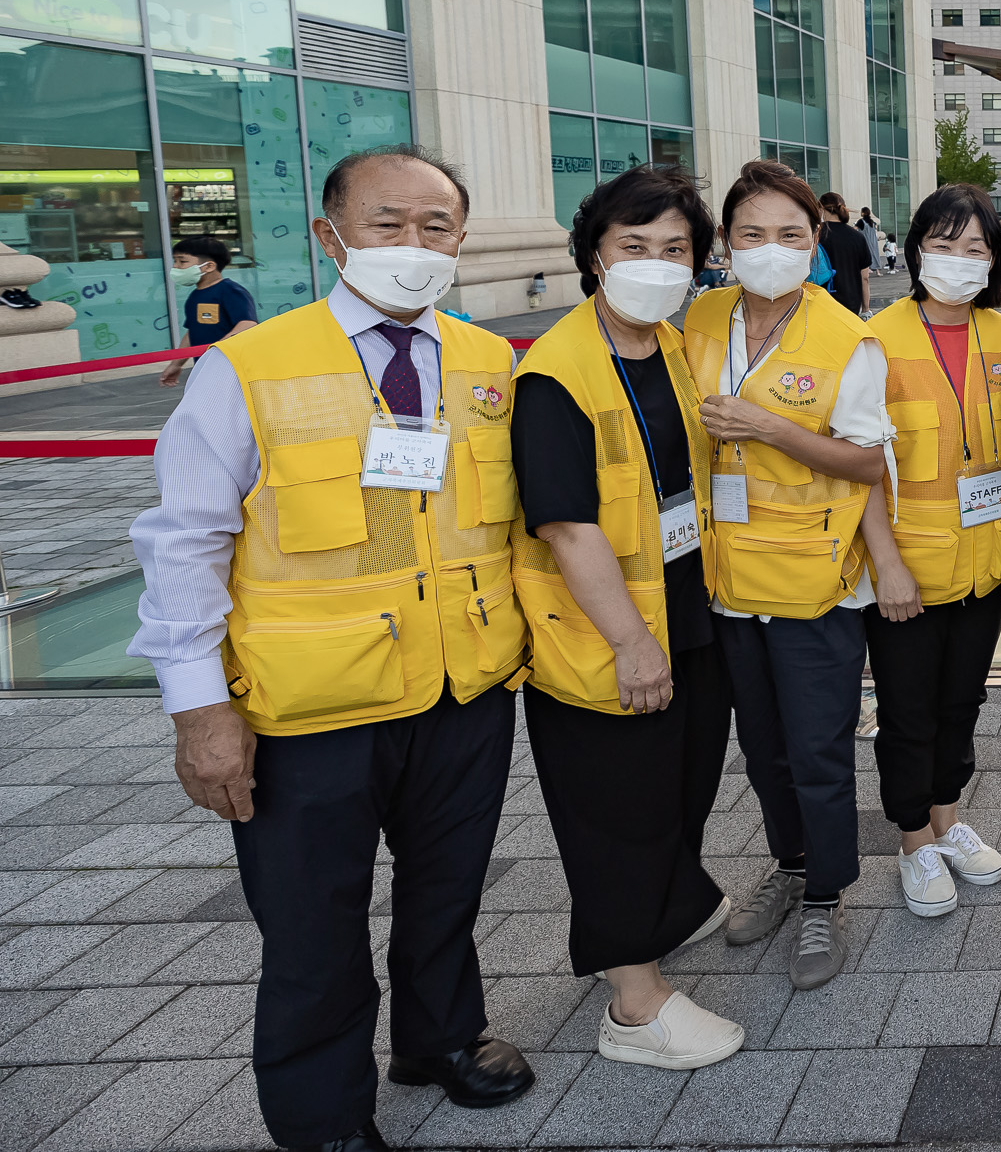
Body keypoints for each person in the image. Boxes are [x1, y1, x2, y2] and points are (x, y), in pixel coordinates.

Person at [130, 147, 534, 1151]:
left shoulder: (490, 363)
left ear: (461, 240)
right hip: (308, 710)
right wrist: (198, 708)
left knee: (447, 889)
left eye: (434, 227)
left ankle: (438, 1038)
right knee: (313, 927)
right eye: (386, 223)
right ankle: (320, 1116)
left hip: (460, 686)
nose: (412, 245)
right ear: (331, 235)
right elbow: (183, 537)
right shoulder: (250, 365)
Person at [512, 163, 744, 1070]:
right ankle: (633, 1003)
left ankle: (669, 910)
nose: (656, 263)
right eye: (634, 247)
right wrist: (632, 641)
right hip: (608, 635)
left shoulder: (671, 349)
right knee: (619, 812)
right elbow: (568, 525)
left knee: (680, 789)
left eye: (675, 249)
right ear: (594, 257)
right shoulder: (557, 372)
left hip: (686, 611)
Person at [684, 162, 903, 986]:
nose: (769, 248)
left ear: (817, 242)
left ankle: (825, 896)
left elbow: (865, 461)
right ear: (724, 244)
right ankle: (788, 862)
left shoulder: (847, 337)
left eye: (789, 234)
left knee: (817, 748)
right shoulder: (699, 319)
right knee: (763, 748)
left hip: (815, 581)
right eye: (751, 233)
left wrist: (768, 426)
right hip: (728, 577)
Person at [864, 184, 1001, 918]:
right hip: (906, 567)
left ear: (992, 259)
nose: (958, 259)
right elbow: (858, 461)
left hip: (986, 561)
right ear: (915, 247)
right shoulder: (874, 338)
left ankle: (947, 817)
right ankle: (912, 841)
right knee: (907, 709)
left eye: (975, 247)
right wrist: (885, 563)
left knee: (962, 699)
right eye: (943, 242)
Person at [159, 235, 258, 385]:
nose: (176, 266)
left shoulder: (230, 291)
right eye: (175, 261)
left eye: (183, 261)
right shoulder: (194, 296)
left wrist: (217, 350)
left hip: (233, 368)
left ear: (209, 266)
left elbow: (248, 324)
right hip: (205, 367)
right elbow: (192, 331)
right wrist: (176, 364)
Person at [817, 193, 872, 315]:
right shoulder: (857, 237)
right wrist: (866, 309)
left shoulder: (816, 235)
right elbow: (865, 277)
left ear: (821, 209)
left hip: (821, 302)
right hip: (851, 303)